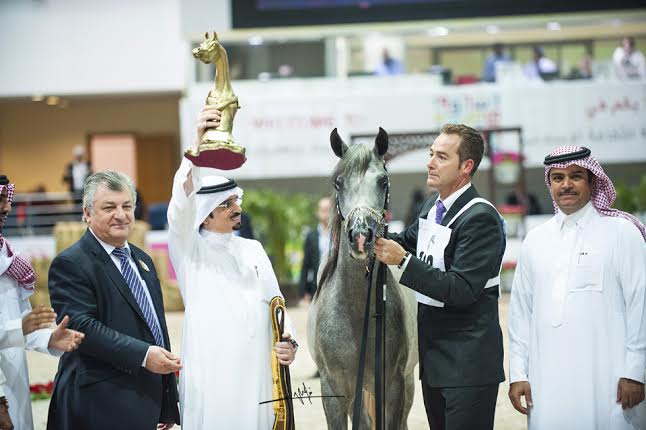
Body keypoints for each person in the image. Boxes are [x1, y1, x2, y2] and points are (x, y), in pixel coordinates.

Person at [167, 105, 298, 429]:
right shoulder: (189, 250)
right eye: (226, 204)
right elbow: (180, 205)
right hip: (213, 378)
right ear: (206, 215)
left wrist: (289, 341)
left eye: (236, 201)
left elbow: (275, 303)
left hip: (256, 373)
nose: (236, 209)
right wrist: (195, 151)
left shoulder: (252, 249)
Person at [375, 124, 506, 430]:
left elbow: (461, 289)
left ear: (466, 167)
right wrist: (367, 233)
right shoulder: (431, 207)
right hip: (434, 363)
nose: (430, 162)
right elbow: (405, 240)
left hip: (468, 367)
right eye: (431, 154)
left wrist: (403, 262)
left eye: (442, 157)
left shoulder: (480, 217)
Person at [508, 146, 646, 429]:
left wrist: (636, 371)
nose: (566, 184)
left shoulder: (622, 232)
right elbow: (521, 313)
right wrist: (518, 373)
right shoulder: (536, 240)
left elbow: (641, 303)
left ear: (592, 180)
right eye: (558, 178)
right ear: (550, 184)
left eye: (575, 176)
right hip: (547, 382)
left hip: (610, 380)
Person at [47, 171, 181, 430]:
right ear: (87, 213)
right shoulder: (71, 263)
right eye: (109, 207)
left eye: (127, 206)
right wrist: (143, 355)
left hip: (144, 401)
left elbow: (155, 328)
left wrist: (166, 403)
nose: (121, 214)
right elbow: (81, 327)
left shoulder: (143, 260)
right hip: (98, 405)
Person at [0, 174, 84, 430]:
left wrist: (48, 337)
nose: (7, 207)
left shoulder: (9, 256)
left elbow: (22, 324)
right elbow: (17, 327)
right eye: (0, 200)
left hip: (13, 381)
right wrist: (19, 328)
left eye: (6, 199)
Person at [299, 197, 331, 305]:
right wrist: (304, 291)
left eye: (328, 209)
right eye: (323, 210)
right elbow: (305, 264)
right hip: (316, 285)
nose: (326, 213)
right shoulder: (311, 236)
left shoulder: (341, 235)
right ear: (318, 213)